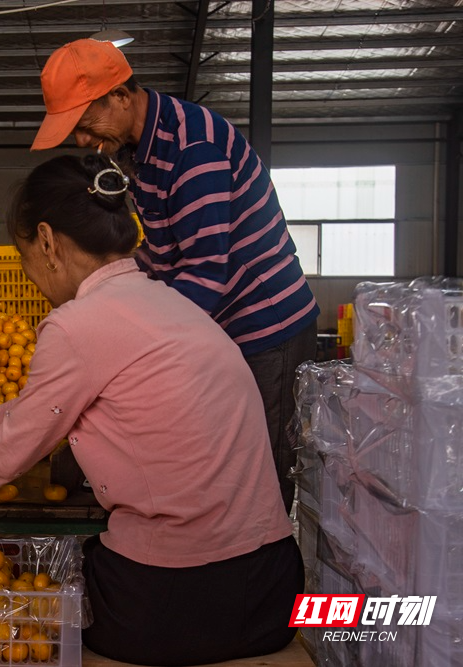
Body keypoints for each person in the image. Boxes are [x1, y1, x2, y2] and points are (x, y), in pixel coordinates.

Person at [0, 155, 303, 666]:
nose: (33, 279)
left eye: (26, 260)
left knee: (25, 601)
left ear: (46, 241)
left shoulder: (76, 323)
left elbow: (9, 457)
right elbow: (83, 395)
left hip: (176, 599)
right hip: (273, 588)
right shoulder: (172, 303)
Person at [30, 39, 319, 513]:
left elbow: (205, 273)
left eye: (85, 125)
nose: (82, 139)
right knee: (220, 464)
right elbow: (162, 253)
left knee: (260, 471)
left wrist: (132, 349)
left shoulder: (192, 149)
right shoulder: (139, 151)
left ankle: (257, 570)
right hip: (221, 326)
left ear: (121, 96)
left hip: (266, 331)